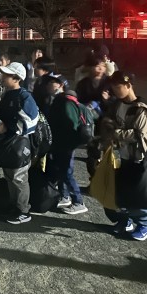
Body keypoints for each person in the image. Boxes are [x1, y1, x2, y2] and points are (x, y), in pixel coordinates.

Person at [100, 71, 147, 241]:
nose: (115, 91)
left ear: (128, 85)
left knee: (135, 194)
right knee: (121, 192)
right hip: (122, 156)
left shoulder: (141, 108)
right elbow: (109, 122)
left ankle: (144, 226)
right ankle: (127, 221)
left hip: (137, 158)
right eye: (113, 87)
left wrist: (115, 132)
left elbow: (139, 135)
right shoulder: (118, 105)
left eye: (118, 87)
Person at [0, 62, 39, 225]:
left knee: (18, 177)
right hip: (9, 143)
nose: (3, 77)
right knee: (10, 175)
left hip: (20, 143)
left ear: (17, 78)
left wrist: (7, 127)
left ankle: (23, 210)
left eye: (6, 75)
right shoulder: (9, 94)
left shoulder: (24, 96)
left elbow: (31, 121)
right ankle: (15, 206)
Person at [46, 77, 88, 216]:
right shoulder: (59, 100)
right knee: (61, 171)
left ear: (61, 85)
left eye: (52, 83)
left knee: (66, 172)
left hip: (65, 144)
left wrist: (65, 143)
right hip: (61, 143)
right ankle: (65, 196)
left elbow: (70, 125)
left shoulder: (66, 103)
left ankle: (79, 202)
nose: (48, 85)